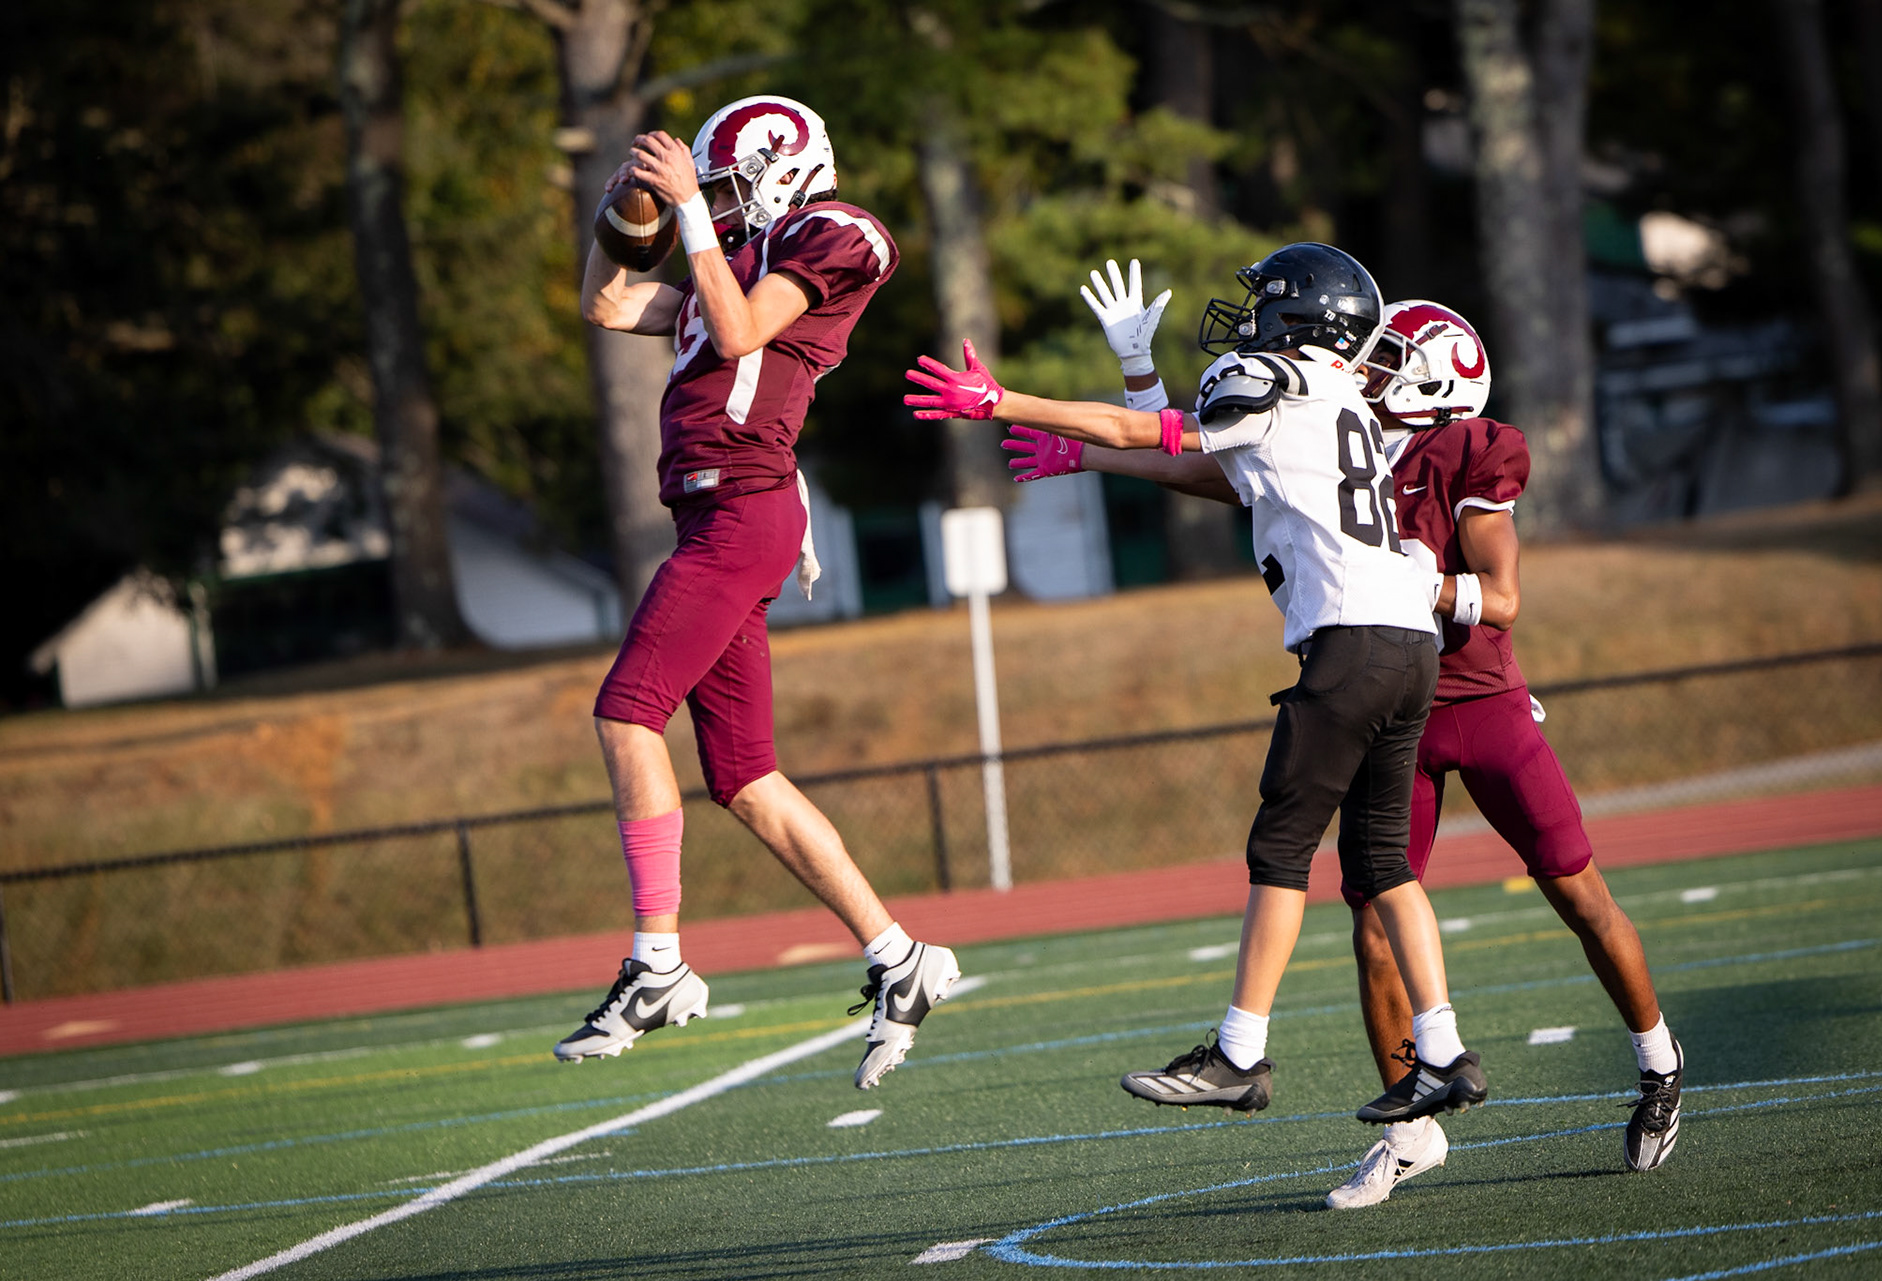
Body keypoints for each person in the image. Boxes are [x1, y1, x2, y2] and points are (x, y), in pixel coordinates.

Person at [1018, 272, 1684, 1201]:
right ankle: (1410, 1118)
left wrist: (1425, 586)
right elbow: (1198, 459)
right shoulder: (1329, 422)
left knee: (1578, 892)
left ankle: (1658, 1061)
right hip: (1389, 695)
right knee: (1372, 909)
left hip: (1471, 696)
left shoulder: (1467, 449)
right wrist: (1093, 443)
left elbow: (1506, 599)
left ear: (1433, 381)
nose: (1365, 368)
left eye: (1390, 361)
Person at [905, 244, 1489, 1126]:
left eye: (1267, 302)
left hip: (1350, 641)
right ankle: (1443, 1052)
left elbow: (1162, 436)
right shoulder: (1340, 400)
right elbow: (1203, 460)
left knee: (1280, 850)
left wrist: (1003, 402)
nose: (1249, 316)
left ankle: (1238, 1053)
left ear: (1304, 318)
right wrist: (1130, 382)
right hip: (1409, 643)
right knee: (1382, 862)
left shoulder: (1273, 378)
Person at [563, 94, 959, 1089]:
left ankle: (658, 965)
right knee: (743, 778)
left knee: (626, 714)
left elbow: (739, 337)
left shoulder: (841, 234)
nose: (727, 205)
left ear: (784, 168)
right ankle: (899, 957)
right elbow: (608, 306)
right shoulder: (731, 257)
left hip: (745, 505)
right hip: (712, 513)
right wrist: (619, 217)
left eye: (736, 185)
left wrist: (692, 214)